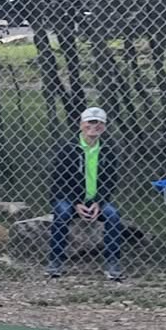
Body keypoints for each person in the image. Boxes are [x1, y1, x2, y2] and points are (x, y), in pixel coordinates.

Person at [48, 106, 124, 281]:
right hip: (70, 198)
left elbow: (110, 181)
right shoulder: (68, 148)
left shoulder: (108, 149)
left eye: (98, 123)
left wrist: (99, 201)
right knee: (62, 213)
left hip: (95, 200)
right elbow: (59, 181)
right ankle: (55, 261)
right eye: (90, 122)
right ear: (81, 124)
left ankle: (113, 263)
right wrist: (76, 202)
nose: (94, 126)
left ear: (103, 127)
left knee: (113, 216)